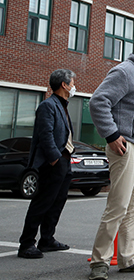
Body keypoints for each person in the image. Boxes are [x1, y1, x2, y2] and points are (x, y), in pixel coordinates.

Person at [88, 31, 134, 280]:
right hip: (126, 147)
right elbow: (98, 102)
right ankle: (99, 262)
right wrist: (111, 135)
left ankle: (129, 258)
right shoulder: (125, 71)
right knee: (118, 205)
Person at [18, 70, 77, 259]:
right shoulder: (48, 106)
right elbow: (45, 135)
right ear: (64, 85)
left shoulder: (63, 106)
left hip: (65, 161)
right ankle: (26, 243)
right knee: (42, 202)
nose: (74, 86)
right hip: (53, 162)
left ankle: (47, 239)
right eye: (72, 82)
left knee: (57, 201)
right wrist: (55, 159)